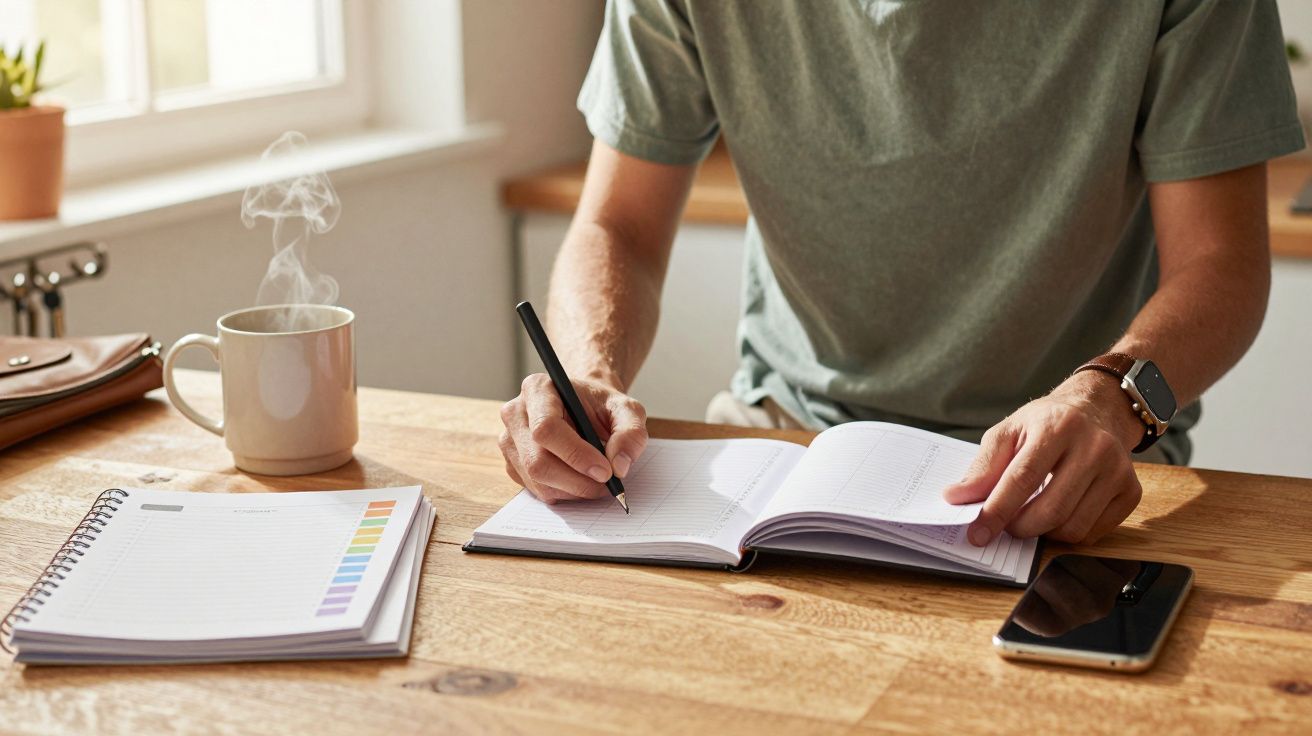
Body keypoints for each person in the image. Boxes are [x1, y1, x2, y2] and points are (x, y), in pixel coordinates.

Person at [498, 0, 1303, 547]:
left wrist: (1109, 400)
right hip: (785, 453)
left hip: (1079, 474)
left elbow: (1222, 267)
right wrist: (586, 378)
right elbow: (619, 225)